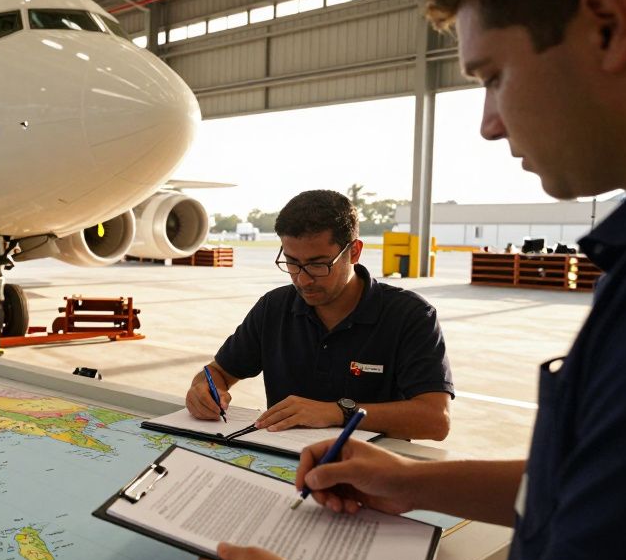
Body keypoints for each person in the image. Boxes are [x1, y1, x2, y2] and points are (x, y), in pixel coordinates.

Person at [197, 0, 626, 560]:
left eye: (492, 75)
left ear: (607, 26)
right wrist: (409, 481)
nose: (490, 122)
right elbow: (618, 494)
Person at [184, 189, 453, 441]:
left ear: (355, 251)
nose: (302, 279)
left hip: (370, 473)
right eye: (291, 262)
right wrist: (203, 390)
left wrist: (338, 413)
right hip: (285, 464)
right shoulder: (274, 308)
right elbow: (218, 372)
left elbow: (435, 420)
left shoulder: (410, 316)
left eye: (318, 264)